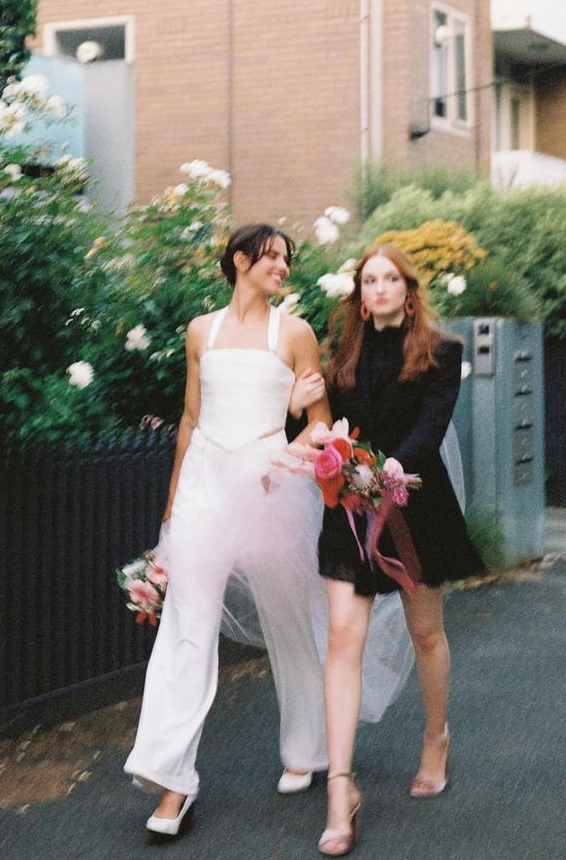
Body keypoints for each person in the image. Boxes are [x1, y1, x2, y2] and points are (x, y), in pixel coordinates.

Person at [123, 224, 413, 837]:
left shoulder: (296, 334)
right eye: (273, 257)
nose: (283, 266)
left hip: (267, 483)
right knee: (187, 628)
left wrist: (297, 416)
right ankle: (174, 782)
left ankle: (307, 748)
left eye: (287, 258)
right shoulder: (201, 330)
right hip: (205, 484)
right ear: (240, 261)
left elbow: (321, 428)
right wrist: (171, 509)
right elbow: (190, 418)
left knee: (291, 615)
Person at [312, 243, 487, 856]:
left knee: (425, 634)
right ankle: (340, 788)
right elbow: (315, 430)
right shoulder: (342, 356)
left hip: (414, 506)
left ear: (408, 290)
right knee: (342, 639)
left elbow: (428, 432)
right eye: (369, 279)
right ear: (359, 293)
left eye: (389, 278)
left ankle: (435, 737)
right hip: (350, 512)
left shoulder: (443, 352)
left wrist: (382, 470)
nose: (378, 287)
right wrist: (297, 412)